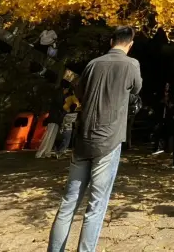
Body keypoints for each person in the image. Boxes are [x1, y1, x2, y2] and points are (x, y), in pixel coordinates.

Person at [47, 26, 142, 252]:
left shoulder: (92, 64)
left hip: (83, 140)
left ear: (111, 41)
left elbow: (80, 92)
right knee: (96, 206)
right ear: (130, 44)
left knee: (68, 203)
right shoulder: (131, 65)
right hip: (108, 141)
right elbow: (137, 88)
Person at [36, 89, 64, 159]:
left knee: (51, 136)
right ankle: (41, 152)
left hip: (55, 119)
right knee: (49, 136)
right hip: (53, 119)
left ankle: (46, 152)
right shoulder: (57, 100)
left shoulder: (58, 99)